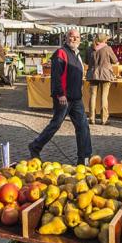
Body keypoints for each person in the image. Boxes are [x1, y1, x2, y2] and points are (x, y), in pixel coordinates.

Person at [29, 29, 92, 165]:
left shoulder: (77, 54)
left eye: (77, 37)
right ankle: (35, 146)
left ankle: (84, 158)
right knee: (56, 124)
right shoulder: (61, 53)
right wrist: (60, 94)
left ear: (80, 40)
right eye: (71, 36)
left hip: (76, 98)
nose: (74, 39)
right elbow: (56, 76)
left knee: (83, 127)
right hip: (64, 98)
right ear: (66, 38)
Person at [87, 33, 118, 125]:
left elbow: (86, 61)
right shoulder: (107, 48)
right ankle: (104, 119)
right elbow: (115, 60)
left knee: (92, 96)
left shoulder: (90, 48)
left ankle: (91, 118)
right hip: (105, 74)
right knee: (104, 96)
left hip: (92, 74)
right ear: (104, 40)